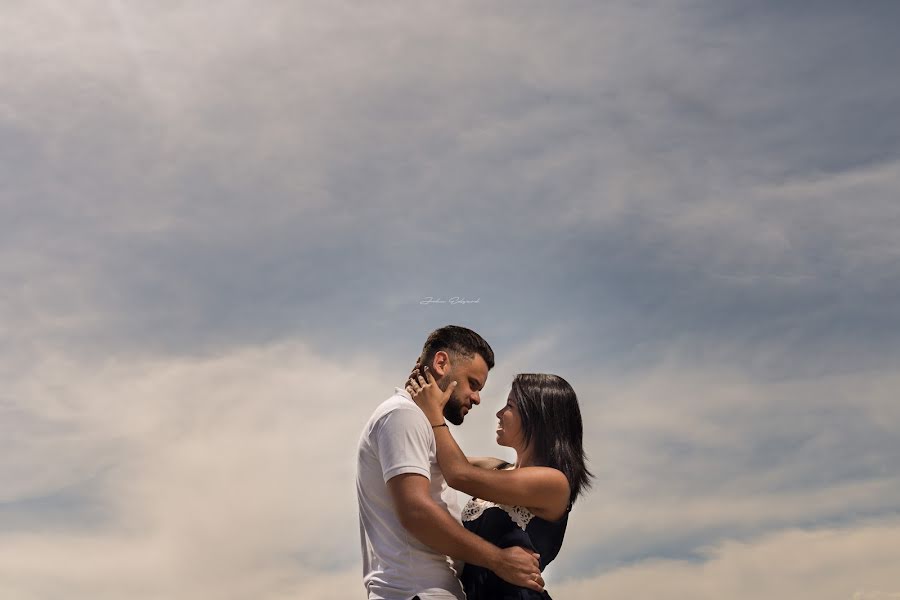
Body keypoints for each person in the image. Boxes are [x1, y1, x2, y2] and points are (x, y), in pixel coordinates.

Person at [356, 325, 545, 600]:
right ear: (442, 363)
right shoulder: (402, 415)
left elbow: (462, 468)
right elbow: (416, 511)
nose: (477, 398)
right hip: (416, 592)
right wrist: (499, 560)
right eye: (473, 384)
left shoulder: (414, 420)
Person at [406, 368, 592, 599]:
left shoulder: (553, 482)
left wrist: (434, 414)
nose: (499, 413)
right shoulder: (496, 468)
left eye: (510, 406)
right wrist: (425, 392)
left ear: (536, 416)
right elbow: (436, 459)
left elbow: (457, 473)